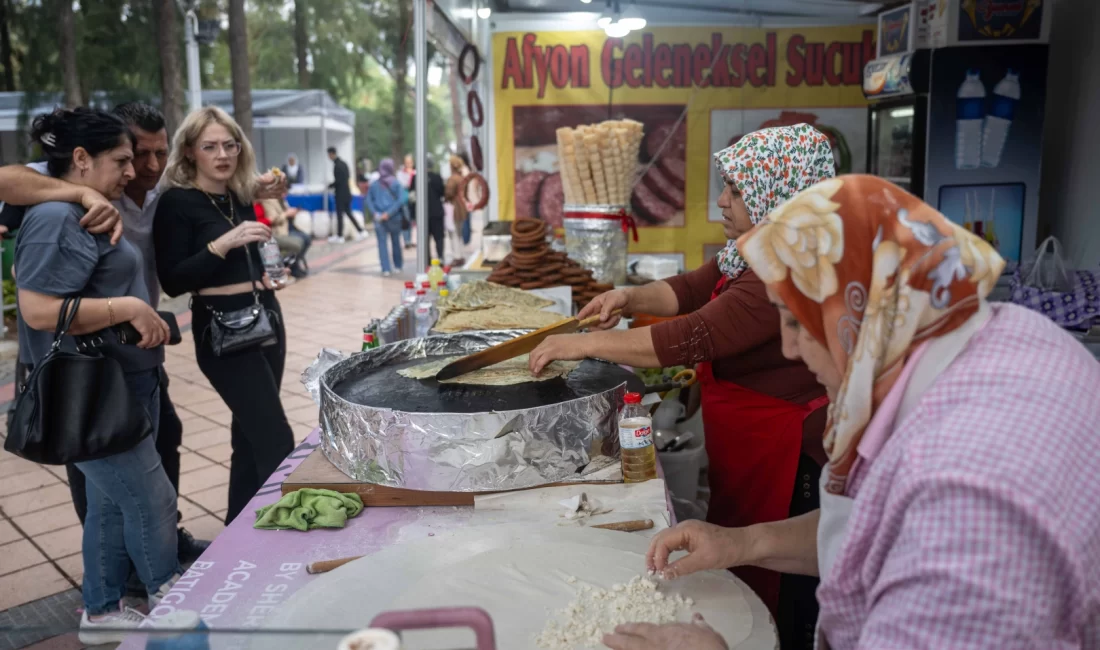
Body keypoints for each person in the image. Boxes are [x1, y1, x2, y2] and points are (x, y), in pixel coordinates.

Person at [616, 175, 1100, 650]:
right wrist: (743, 544)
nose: (788, 348)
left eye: (797, 322)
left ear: (861, 315)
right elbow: (877, 527)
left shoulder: (965, 495)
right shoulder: (993, 330)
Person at [529, 125, 836, 641]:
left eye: (736, 190)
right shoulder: (748, 252)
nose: (722, 200)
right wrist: (627, 298)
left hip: (786, 453)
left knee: (781, 585)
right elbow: (690, 289)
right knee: (738, 548)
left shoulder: (781, 272)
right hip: (747, 435)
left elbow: (692, 336)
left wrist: (582, 344)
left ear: (776, 194)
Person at [0, 102, 215, 567]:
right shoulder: (58, 203)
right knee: (130, 492)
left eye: (159, 154)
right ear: (83, 158)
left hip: (132, 363)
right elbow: (38, 310)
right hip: (92, 373)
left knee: (126, 487)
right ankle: (150, 585)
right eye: (132, 156)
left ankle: (108, 601)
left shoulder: (152, 190)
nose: (145, 168)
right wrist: (82, 197)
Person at [14, 107, 180, 644]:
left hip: (124, 380)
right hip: (93, 391)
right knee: (152, 499)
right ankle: (174, 610)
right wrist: (128, 307)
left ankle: (102, 613)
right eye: (121, 160)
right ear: (80, 160)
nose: (132, 171)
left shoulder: (84, 208)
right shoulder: (55, 217)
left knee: (109, 506)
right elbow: (39, 310)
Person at [154, 106, 295, 525]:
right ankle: (281, 533)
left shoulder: (236, 196)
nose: (222, 154)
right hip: (220, 326)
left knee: (249, 437)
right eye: (210, 146)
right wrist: (223, 244)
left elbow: (251, 240)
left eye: (230, 144)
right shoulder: (176, 203)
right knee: (275, 437)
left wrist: (267, 274)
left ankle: (240, 530)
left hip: (265, 314)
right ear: (190, 152)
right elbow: (173, 280)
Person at [366, 157, 408, 277]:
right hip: (394, 217)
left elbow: (368, 200)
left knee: (382, 243)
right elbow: (401, 200)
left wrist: (375, 213)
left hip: (379, 219)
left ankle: (385, 268)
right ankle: (398, 265)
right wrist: (389, 213)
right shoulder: (396, 183)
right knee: (396, 242)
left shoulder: (374, 185)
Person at [259, 192, 311, 278]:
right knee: (299, 242)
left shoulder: (282, 200)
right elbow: (272, 219)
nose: (284, 193)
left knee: (307, 239)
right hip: (279, 230)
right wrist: (287, 214)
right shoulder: (268, 201)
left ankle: (294, 264)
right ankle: (291, 266)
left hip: (288, 226)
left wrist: (293, 212)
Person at [327, 146, 366, 243]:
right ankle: (361, 230)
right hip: (347, 192)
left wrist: (331, 185)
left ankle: (340, 236)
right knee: (348, 213)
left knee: (340, 215)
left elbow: (339, 181)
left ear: (332, 154)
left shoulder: (337, 166)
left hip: (340, 194)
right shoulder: (344, 164)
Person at [413, 155, 446, 262]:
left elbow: (412, 195)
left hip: (422, 213)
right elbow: (442, 192)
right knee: (439, 237)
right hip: (436, 212)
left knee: (424, 237)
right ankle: (440, 257)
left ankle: (426, 259)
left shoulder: (416, 178)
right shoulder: (437, 177)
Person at [444, 154, 469, 266]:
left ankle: (457, 256)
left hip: (454, 207)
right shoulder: (463, 178)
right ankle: (461, 255)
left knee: (453, 232)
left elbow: (448, 193)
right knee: (459, 232)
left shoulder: (452, 179)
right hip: (462, 206)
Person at [397, 153, 415, 249]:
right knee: (406, 220)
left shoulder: (416, 172)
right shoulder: (401, 173)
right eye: (407, 162)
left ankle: (410, 240)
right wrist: (410, 176)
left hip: (414, 200)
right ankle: (406, 240)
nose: (409, 164)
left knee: (411, 220)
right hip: (405, 199)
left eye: (410, 162)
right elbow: (403, 184)